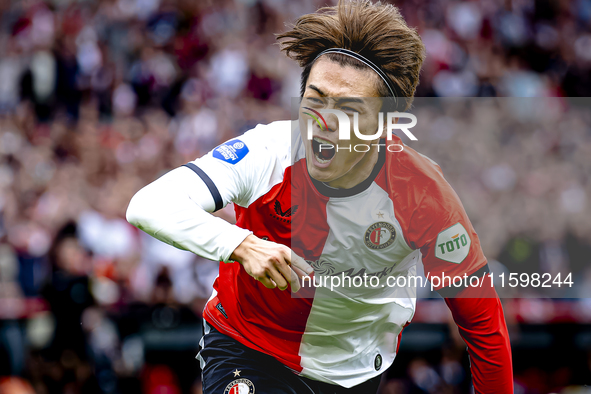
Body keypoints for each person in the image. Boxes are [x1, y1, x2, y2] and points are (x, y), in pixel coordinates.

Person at [126, 1, 513, 393]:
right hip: (246, 346)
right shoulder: (267, 152)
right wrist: (241, 245)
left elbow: (483, 326)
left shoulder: (424, 195)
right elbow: (148, 205)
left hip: (353, 374)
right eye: (316, 98)